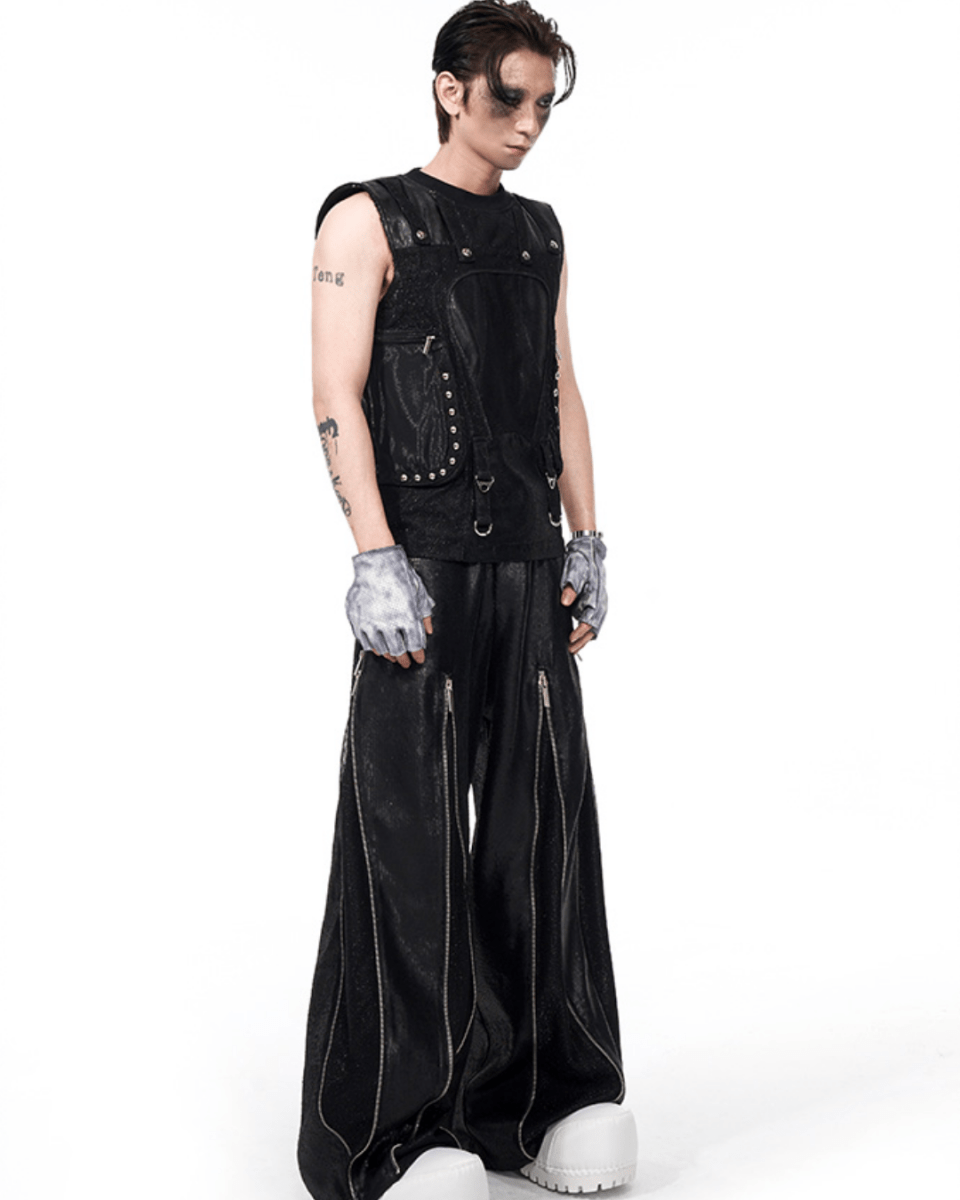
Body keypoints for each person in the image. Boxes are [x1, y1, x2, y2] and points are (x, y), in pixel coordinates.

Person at [297, 4, 636, 1198]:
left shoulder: (540, 232)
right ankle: (395, 1131)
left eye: (545, 103)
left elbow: (561, 388)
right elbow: (334, 389)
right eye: (508, 98)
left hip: (530, 574)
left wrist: (588, 537)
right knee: (410, 844)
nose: (529, 123)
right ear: (451, 89)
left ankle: (546, 1099)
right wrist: (373, 556)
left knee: (543, 837)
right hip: (424, 578)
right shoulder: (368, 217)